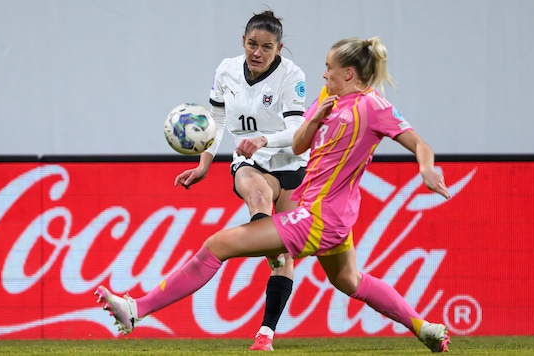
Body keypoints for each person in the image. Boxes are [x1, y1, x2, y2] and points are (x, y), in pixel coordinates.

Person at [95, 36, 452, 353]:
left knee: (217, 245)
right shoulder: (328, 98)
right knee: (350, 280)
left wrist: (425, 168)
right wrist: (314, 120)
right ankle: (425, 329)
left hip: (318, 219)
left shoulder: (373, 106)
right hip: (327, 214)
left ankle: (136, 309)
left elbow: (420, 143)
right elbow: (299, 143)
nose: (323, 74)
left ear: (349, 73)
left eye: (329, 68)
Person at [172, 10, 308, 351]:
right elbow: (215, 117)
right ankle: (269, 245)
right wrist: (204, 164)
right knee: (258, 196)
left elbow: (296, 131)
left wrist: (264, 139)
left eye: (266, 47)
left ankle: (266, 333)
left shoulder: (292, 77)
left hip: (292, 163)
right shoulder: (227, 70)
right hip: (250, 160)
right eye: (252, 44)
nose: (257, 52)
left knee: (287, 255)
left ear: (279, 48)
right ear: (243, 42)